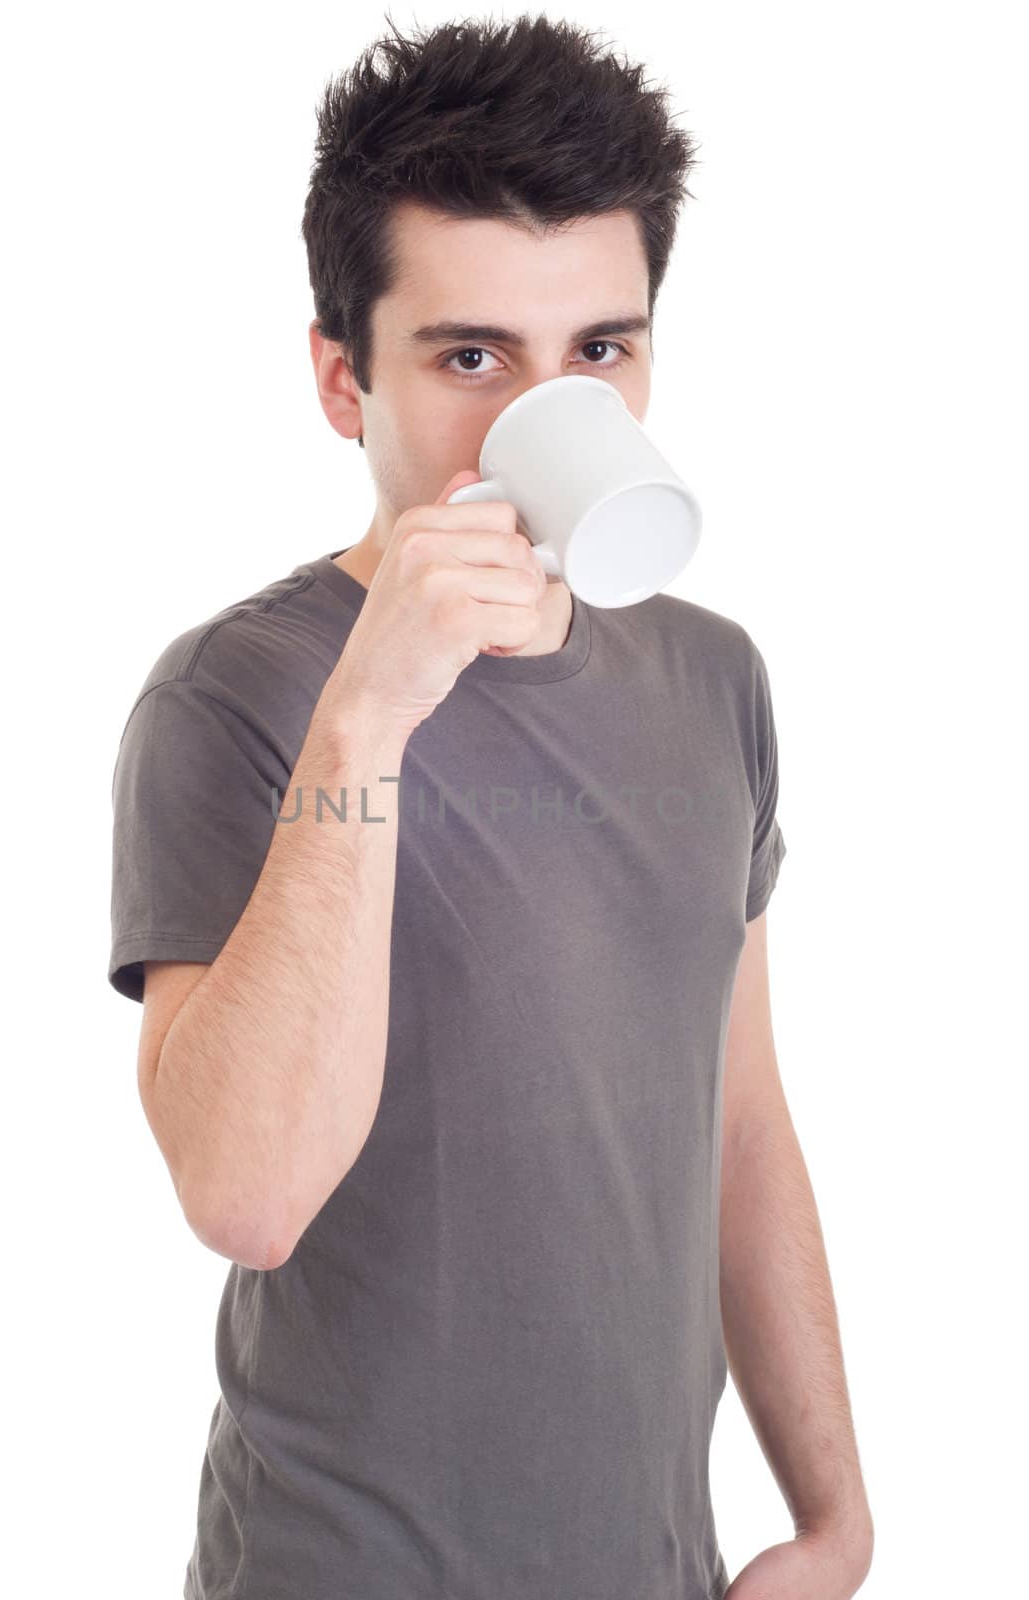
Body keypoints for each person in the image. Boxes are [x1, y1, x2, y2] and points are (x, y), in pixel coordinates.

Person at [108, 13, 873, 1600]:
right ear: (342, 380)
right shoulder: (239, 697)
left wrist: (835, 1518)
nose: (546, 413)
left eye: (599, 351)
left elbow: (739, 1125)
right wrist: (372, 712)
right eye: (471, 358)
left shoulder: (714, 677)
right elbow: (244, 1197)